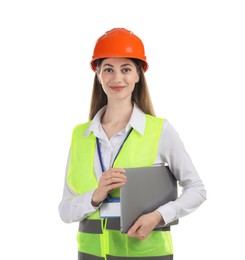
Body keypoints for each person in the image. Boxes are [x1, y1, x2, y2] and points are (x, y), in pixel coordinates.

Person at [58, 28, 207, 260]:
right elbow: (65, 211)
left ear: (138, 74)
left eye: (125, 69)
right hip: (90, 254)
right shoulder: (81, 135)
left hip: (146, 254)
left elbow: (197, 189)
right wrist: (95, 196)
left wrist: (159, 216)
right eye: (108, 69)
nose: (117, 78)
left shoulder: (160, 130)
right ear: (98, 74)